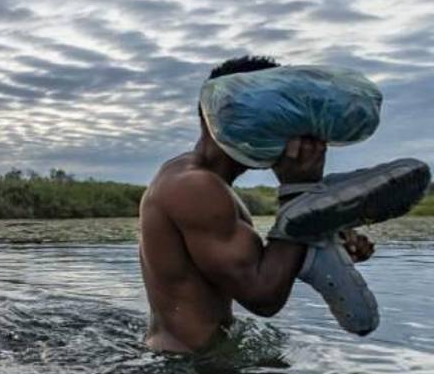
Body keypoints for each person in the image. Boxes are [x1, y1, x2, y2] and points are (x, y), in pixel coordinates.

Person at [139, 56, 374, 353]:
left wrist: (322, 239)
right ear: (217, 114)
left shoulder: (204, 181)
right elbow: (263, 296)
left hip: (206, 362)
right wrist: (298, 192)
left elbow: (257, 266)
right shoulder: (194, 187)